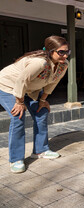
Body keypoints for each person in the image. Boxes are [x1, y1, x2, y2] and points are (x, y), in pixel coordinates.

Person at [0, 35, 70, 173]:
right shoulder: (39, 63)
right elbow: (21, 81)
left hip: (28, 90)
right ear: (51, 51)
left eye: (67, 51)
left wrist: (42, 101)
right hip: (7, 86)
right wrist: (19, 102)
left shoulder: (64, 64)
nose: (65, 55)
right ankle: (16, 159)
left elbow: (53, 82)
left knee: (41, 112)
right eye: (61, 52)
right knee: (18, 116)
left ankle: (40, 150)